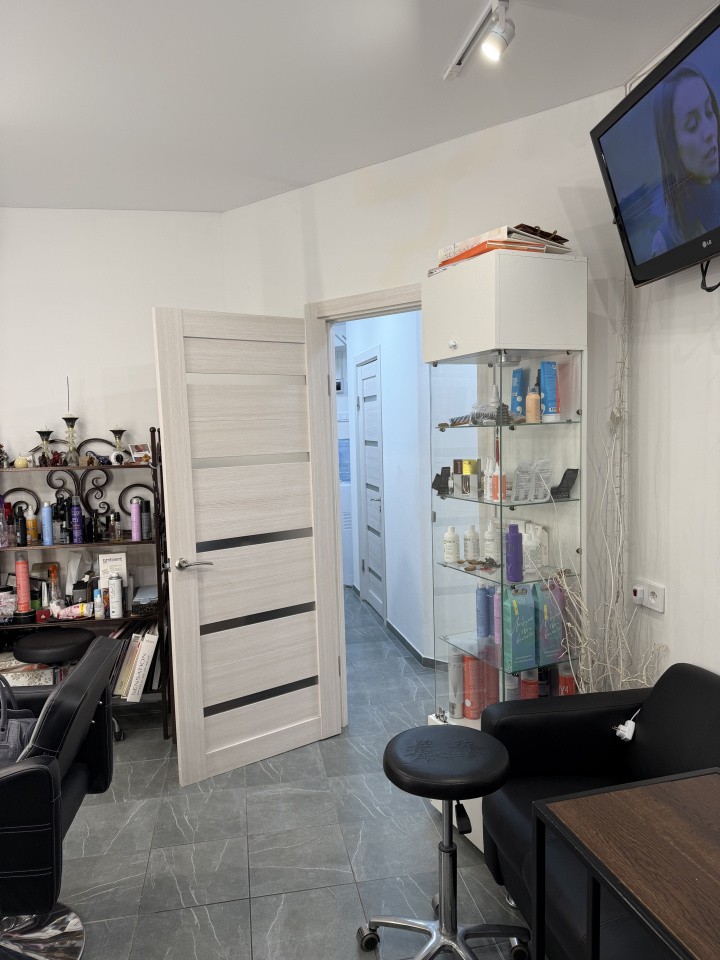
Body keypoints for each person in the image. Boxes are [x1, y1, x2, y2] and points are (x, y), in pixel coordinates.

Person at [651, 64, 720, 257]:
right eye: (692, 125)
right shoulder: (665, 242)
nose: (709, 132)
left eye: (709, 112)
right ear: (672, 145)